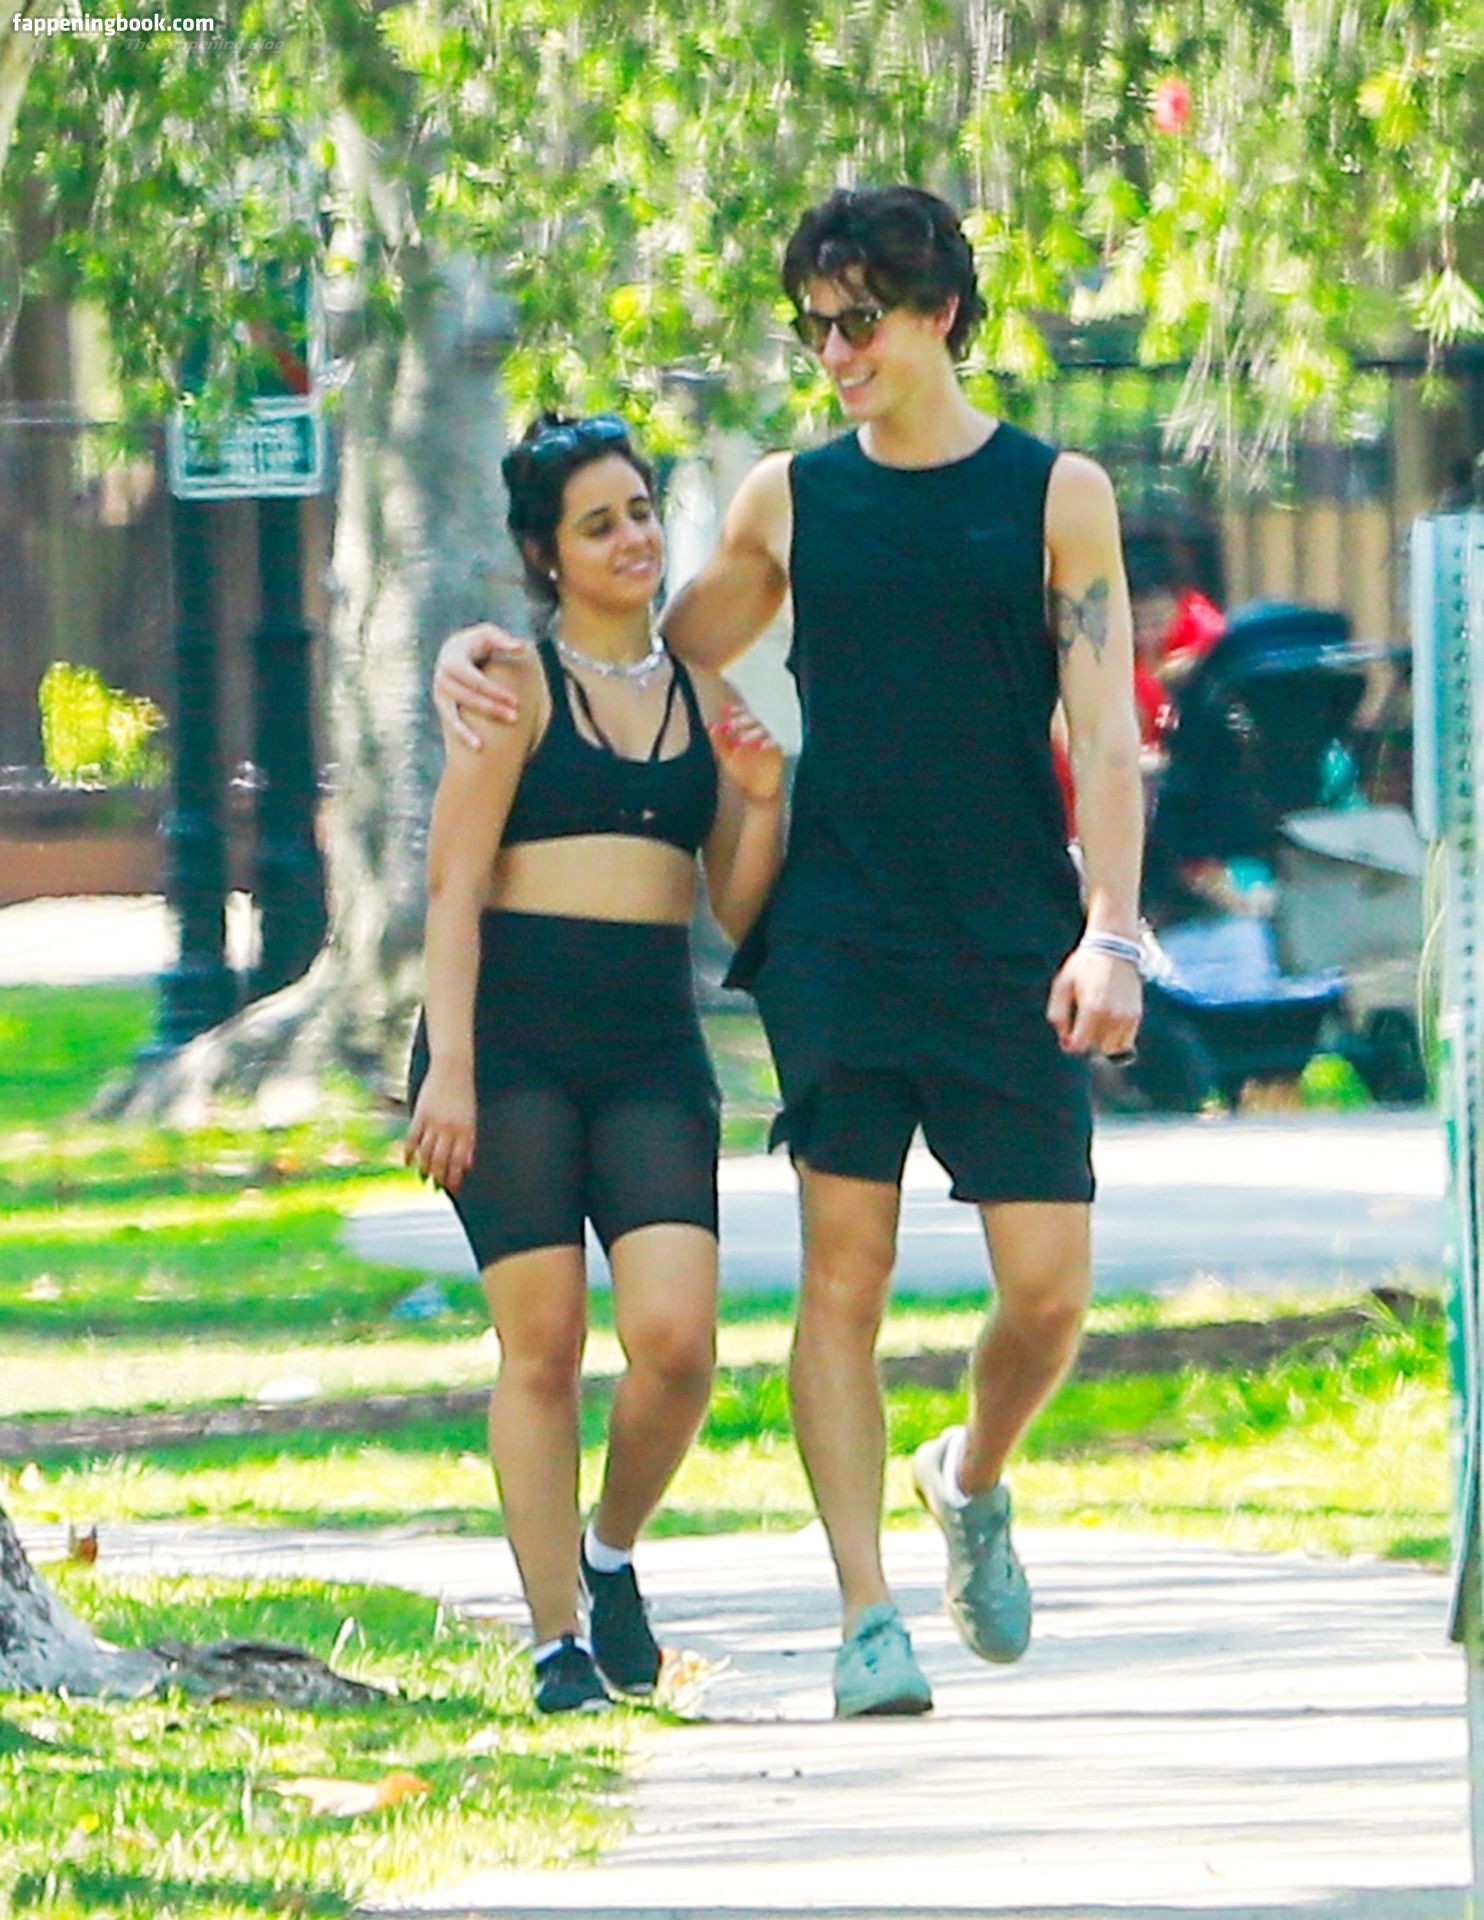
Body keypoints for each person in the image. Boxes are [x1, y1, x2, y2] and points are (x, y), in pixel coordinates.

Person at [434, 185, 1144, 1719]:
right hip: (839, 938)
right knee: (844, 1276)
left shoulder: (1057, 493)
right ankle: (867, 1616)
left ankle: (970, 1476)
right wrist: (482, 656)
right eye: (815, 328)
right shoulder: (790, 500)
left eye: (860, 321)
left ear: (940, 311)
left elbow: (1102, 733)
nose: (836, 354)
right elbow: (644, 642)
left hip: (1012, 936)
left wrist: (1112, 932)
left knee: (1047, 1293)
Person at [407, 411, 784, 1714]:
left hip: (647, 1047)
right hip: (508, 1042)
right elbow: (453, 887)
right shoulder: (508, 687)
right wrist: (449, 1069)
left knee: (677, 1342)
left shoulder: (705, 698)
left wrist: (762, 801)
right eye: (597, 523)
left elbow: (736, 906)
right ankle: (555, 1640)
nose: (631, 539)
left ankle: (609, 1552)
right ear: (546, 554)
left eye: (639, 513)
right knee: (546, 1344)